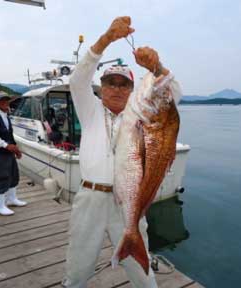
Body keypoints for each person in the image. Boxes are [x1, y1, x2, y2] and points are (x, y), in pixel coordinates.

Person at [62, 16, 182, 287]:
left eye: (123, 84)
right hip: (90, 198)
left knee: (142, 273)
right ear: (101, 88)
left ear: (132, 90)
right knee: (78, 267)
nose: (116, 89)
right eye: (110, 83)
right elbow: (79, 78)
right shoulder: (89, 109)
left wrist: (156, 66)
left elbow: (172, 93)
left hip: (129, 202)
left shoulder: (138, 114)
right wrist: (106, 38)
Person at [0, 93, 27, 216]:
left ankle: (12, 199)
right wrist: (6, 145)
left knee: (14, 175)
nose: (5, 103)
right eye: (2, 101)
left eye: (7, 101)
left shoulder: (5, 115)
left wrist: (16, 150)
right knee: (2, 177)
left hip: (8, 152)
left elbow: (9, 135)